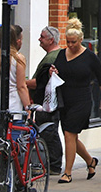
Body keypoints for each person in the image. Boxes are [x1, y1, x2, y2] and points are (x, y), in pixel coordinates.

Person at [51, 19, 101, 184]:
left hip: (82, 99)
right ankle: (90, 161)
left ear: (81, 40)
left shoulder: (90, 57)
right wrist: (53, 71)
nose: (70, 45)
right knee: (72, 137)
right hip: (64, 99)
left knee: (69, 133)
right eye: (67, 42)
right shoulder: (61, 54)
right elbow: (56, 73)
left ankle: (67, 172)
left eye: (73, 42)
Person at [0, 25, 31, 159]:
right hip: (13, 110)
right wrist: (28, 109)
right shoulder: (17, 59)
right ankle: (7, 179)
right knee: (10, 149)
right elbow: (21, 86)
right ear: (15, 40)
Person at [25, 26, 64, 175]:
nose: (39, 39)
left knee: (48, 131)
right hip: (48, 101)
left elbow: (41, 82)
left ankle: (53, 165)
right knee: (48, 131)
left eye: (42, 37)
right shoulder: (55, 55)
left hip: (47, 102)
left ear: (51, 40)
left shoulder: (52, 58)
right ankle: (51, 163)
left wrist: (22, 83)